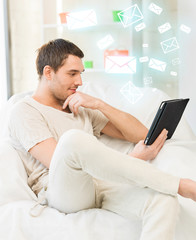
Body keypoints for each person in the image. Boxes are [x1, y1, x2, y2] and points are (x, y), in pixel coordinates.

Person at [8, 38, 196, 240]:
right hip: (62, 191)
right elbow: (58, 162)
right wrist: (133, 158)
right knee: (72, 140)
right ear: (48, 73)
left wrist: (98, 104)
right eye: (72, 73)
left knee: (163, 200)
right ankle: (181, 185)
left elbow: (140, 134)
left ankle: (172, 190)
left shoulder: (78, 106)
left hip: (101, 185)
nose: (79, 82)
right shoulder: (24, 110)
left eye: (80, 73)